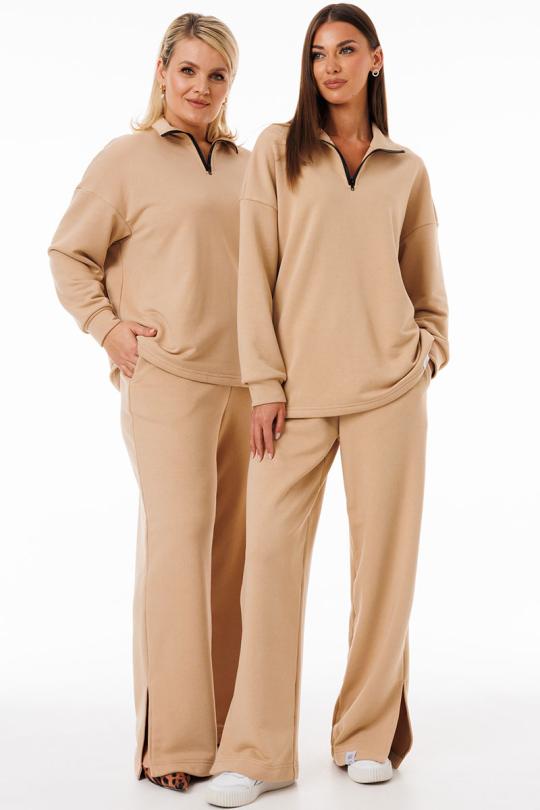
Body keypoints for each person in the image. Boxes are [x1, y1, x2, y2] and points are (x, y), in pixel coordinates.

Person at [206, 3, 449, 805]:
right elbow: (255, 274)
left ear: (376, 59)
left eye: (346, 50)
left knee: (384, 571)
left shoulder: (405, 168)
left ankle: (366, 736)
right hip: (296, 400)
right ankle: (258, 752)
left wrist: (428, 351)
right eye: (317, 53)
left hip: (389, 394)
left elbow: (427, 286)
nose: (331, 66)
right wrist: (265, 385)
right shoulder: (278, 149)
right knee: (269, 568)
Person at [48, 12, 252, 793]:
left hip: (246, 387)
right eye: (188, 70)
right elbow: (69, 254)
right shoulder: (125, 158)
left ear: (230, 84)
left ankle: (231, 733)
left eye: (217, 74)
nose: (201, 87)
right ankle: (172, 743)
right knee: (178, 549)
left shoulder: (247, 166)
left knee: (234, 561)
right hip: (167, 381)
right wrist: (108, 330)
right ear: (162, 71)